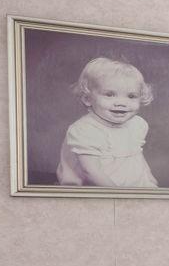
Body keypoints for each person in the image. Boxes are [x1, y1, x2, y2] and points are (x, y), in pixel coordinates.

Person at [56, 56, 158, 187]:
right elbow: (91, 172)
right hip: (100, 188)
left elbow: (136, 155)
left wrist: (150, 179)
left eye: (131, 96)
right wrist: (118, 196)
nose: (121, 103)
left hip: (131, 186)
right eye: (109, 94)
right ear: (88, 99)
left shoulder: (137, 125)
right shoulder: (85, 130)